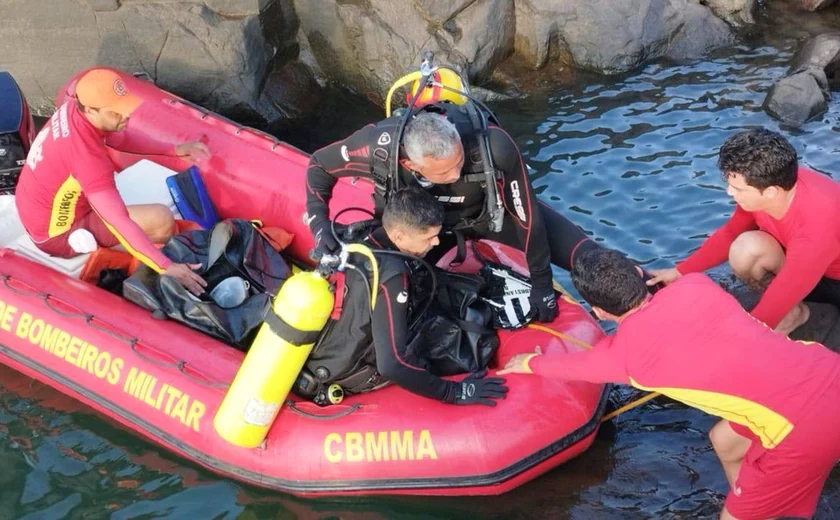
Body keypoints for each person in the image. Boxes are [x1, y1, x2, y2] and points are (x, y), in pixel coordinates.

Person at [500, 248, 840, 520]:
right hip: (826, 369)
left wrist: (527, 362)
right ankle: (760, 500)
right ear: (638, 274)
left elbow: (571, 366)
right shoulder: (695, 285)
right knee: (723, 440)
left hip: (802, 428)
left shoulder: (623, 357)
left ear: (599, 312)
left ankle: (757, 503)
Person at [305, 70, 603, 324]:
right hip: (424, 234)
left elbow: (528, 218)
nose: (456, 174)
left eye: (460, 164)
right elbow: (319, 166)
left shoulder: (493, 146)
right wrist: (320, 227)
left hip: (487, 215)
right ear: (411, 165)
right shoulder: (379, 149)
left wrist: (542, 283)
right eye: (445, 172)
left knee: (592, 260)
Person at [301, 187, 508, 406]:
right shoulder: (392, 278)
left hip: (321, 354)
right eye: (429, 237)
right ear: (399, 235)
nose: (436, 242)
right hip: (347, 374)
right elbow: (392, 365)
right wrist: (455, 392)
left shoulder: (358, 236)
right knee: (459, 342)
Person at [15, 68, 210, 295]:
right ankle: (124, 261)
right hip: (58, 234)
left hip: (34, 205)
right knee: (162, 220)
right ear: (91, 110)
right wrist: (166, 266)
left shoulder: (73, 108)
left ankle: (138, 252)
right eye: (116, 113)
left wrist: (173, 149)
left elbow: (117, 137)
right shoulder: (87, 160)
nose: (125, 116)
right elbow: (117, 220)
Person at [646, 128, 840, 335]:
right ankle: (792, 312)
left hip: (833, 281)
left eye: (738, 189)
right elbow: (731, 233)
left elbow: (787, 288)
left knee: (757, 324)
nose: (730, 193)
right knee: (746, 248)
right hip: (803, 266)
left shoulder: (817, 225)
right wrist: (679, 272)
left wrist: (743, 335)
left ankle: (798, 316)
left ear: (770, 192)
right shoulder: (772, 181)